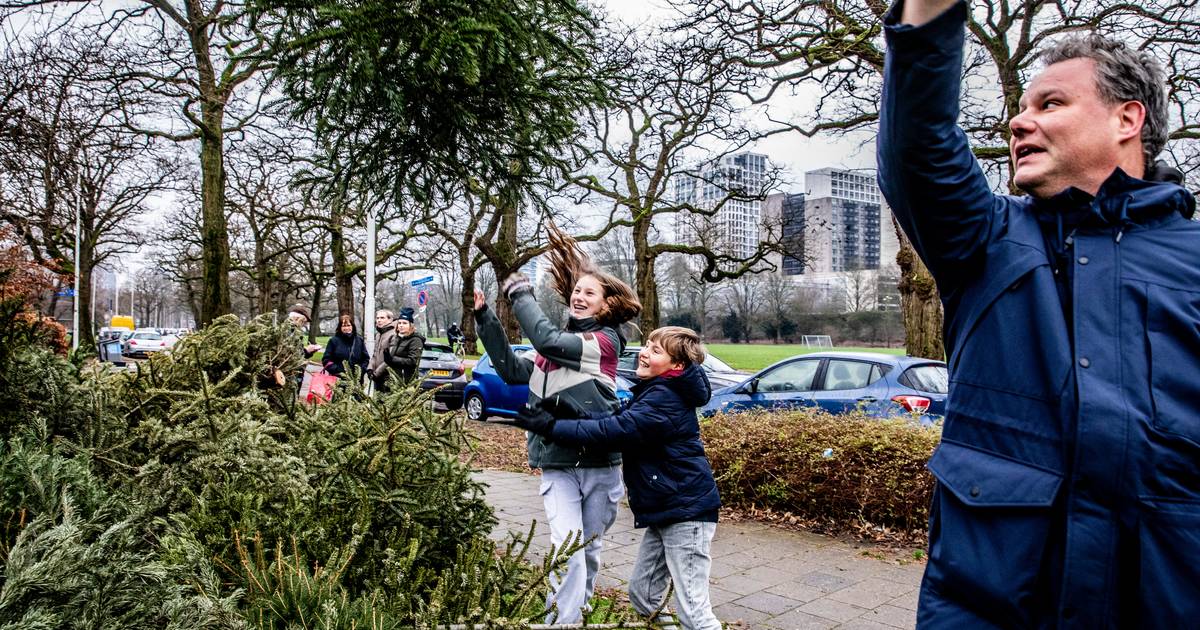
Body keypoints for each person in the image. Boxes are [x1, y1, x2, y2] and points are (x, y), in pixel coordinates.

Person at [879, 1, 1199, 626]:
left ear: (1126, 119)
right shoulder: (987, 241)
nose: (1018, 123)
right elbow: (918, 146)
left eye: (1049, 104)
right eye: (1021, 107)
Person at [473, 225, 641, 624]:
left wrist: (521, 294)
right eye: (577, 291)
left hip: (600, 464)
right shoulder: (558, 349)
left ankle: (573, 614)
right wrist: (485, 320)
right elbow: (515, 370)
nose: (580, 297)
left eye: (590, 293)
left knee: (588, 550)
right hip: (557, 463)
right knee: (568, 546)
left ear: (605, 305)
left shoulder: (602, 343)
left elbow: (546, 342)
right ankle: (561, 622)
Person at [512, 326, 721, 630]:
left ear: (676, 366)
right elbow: (617, 420)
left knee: (695, 611)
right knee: (644, 595)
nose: (645, 352)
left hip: (687, 514)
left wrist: (552, 428)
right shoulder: (657, 390)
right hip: (669, 510)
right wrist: (571, 415)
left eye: (656, 350)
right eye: (647, 345)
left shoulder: (665, 398)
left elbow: (614, 432)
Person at [383, 307, 424, 383]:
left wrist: (392, 359)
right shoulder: (397, 338)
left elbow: (413, 361)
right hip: (394, 379)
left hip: (407, 381)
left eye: (404, 323)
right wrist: (387, 358)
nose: (401, 325)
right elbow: (394, 360)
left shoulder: (415, 340)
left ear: (410, 325)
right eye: (399, 323)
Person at [322, 313, 369, 378]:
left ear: (352, 326)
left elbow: (365, 358)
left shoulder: (359, 340)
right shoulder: (333, 341)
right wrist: (337, 371)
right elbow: (326, 360)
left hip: (356, 380)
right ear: (340, 327)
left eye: (348, 325)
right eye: (344, 326)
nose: (346, 328)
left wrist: (360, 371)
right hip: (338, 379)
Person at [368, 309, 397, 392]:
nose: (379, 320)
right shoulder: (378, 334)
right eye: (377, 318)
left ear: (390, 319)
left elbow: (390, 358)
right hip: (377, 376)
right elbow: (375, 354)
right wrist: (370, 368)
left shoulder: (394, 334)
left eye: (382, 318)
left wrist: (376, 373)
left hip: (388, 376)